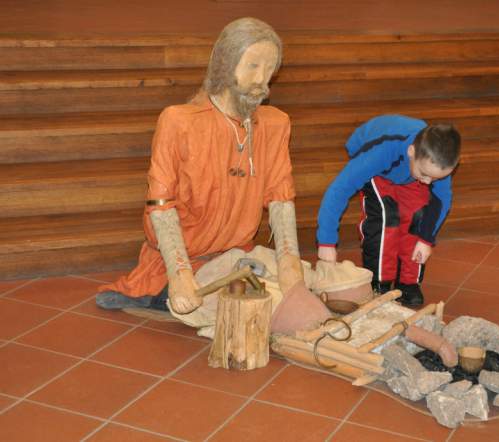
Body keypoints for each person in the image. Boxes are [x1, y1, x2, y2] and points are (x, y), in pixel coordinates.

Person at [96, 17, 330, 333]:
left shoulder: (275, 124)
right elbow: (160, 206)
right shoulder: (179, 121)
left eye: (269, 68)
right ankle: (163, 291)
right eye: (253, 66)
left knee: (345, 285)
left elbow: (281, 196)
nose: (262, 79)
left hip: (237, 256)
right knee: (276, 308)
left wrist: (290, 269)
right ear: (225, 64)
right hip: (187, 261)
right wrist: (180, 275)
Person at [316, 115, 460, 307]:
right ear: (411, 151)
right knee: (385, 218)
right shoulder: (381, 152)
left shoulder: (435, 161)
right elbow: (339, 190)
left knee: (418, 216)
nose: (428, 182)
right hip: (378, 166)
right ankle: (379, 284)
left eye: (436, 178)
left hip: (408, 172)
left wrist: (426, 240)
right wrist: (326, 241)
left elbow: (441, 202)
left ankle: (407, 283)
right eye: (426, 175)